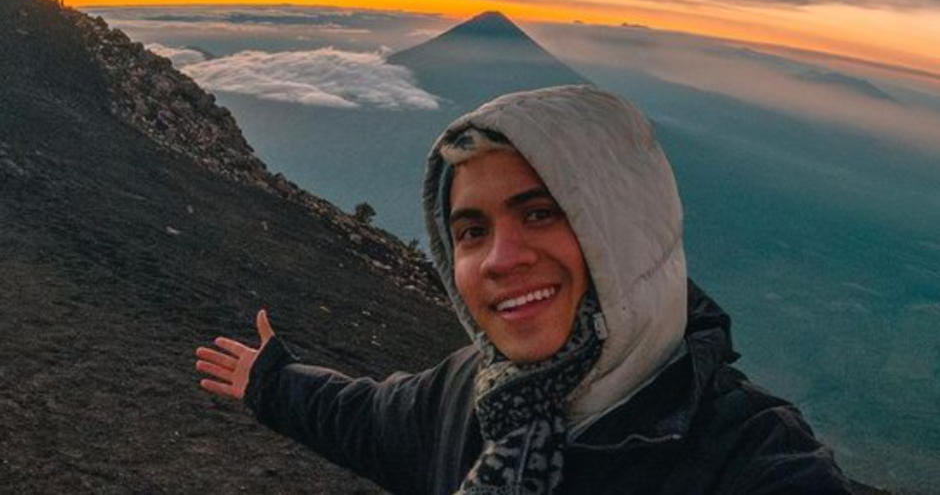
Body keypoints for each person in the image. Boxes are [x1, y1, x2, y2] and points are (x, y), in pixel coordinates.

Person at [195, 85, 852, 494]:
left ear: (624, 227)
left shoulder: (747, 458)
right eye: (471, 230)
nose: (500, 260)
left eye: (541, 212)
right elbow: (369, 419)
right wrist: (272, 382)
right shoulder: (472, 395)